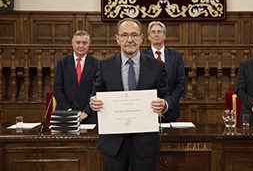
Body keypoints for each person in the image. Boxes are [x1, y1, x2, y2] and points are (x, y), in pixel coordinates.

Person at [89, 18, 171, 171]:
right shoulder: (104, 65)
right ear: (117, 39)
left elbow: (166, 96)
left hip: (145, 142)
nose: (129, 40)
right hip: (113, 143)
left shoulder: (156, 66)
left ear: (141, 38)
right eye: (124, 35)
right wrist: (92, 102)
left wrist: (164, 104)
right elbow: (94, 94)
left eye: (134, 35)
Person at [142, 21, 185, 122]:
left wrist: (166, 104)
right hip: (148, 111)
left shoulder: (176, 56)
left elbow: (181, 84)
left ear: (164, 36)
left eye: (159, 32)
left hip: (170, 111)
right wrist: (154, 106)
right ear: (148, 36)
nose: (156, 34)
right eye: (153, 32)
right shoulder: (141, 56)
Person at [53, 30, 98, 123]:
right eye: (78, 42)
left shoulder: (96, 63)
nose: (81, 46)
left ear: (89, 44)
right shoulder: (62, 62)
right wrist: (69, 111)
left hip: (89, 116)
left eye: (84, 43)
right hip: (65, 115)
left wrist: (86, 111)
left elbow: (97, 89)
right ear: (72, 43)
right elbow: (57, 88)